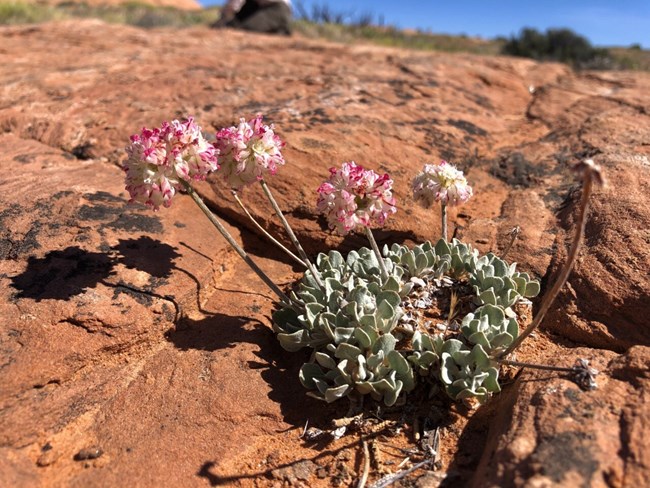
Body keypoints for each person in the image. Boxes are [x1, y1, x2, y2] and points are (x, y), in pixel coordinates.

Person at [212, 0, 292, 36]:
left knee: (245, 29)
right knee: (234, 24)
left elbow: (232, 6)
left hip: (276, 8)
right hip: (258, 6)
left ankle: (280, 28)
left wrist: (223, 19)